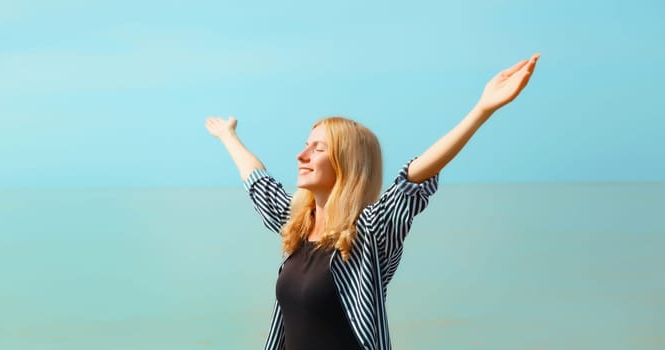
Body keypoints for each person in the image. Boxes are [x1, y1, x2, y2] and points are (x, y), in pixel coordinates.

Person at [205, 53, 540, 350]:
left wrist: (481, 110)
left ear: (346, 162)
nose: (301, 155)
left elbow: (414, 178)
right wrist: (228, 136)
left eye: (317, 149)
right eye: (305, 145)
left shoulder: (369, 233)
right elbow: (257, 181)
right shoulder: (297, 224)